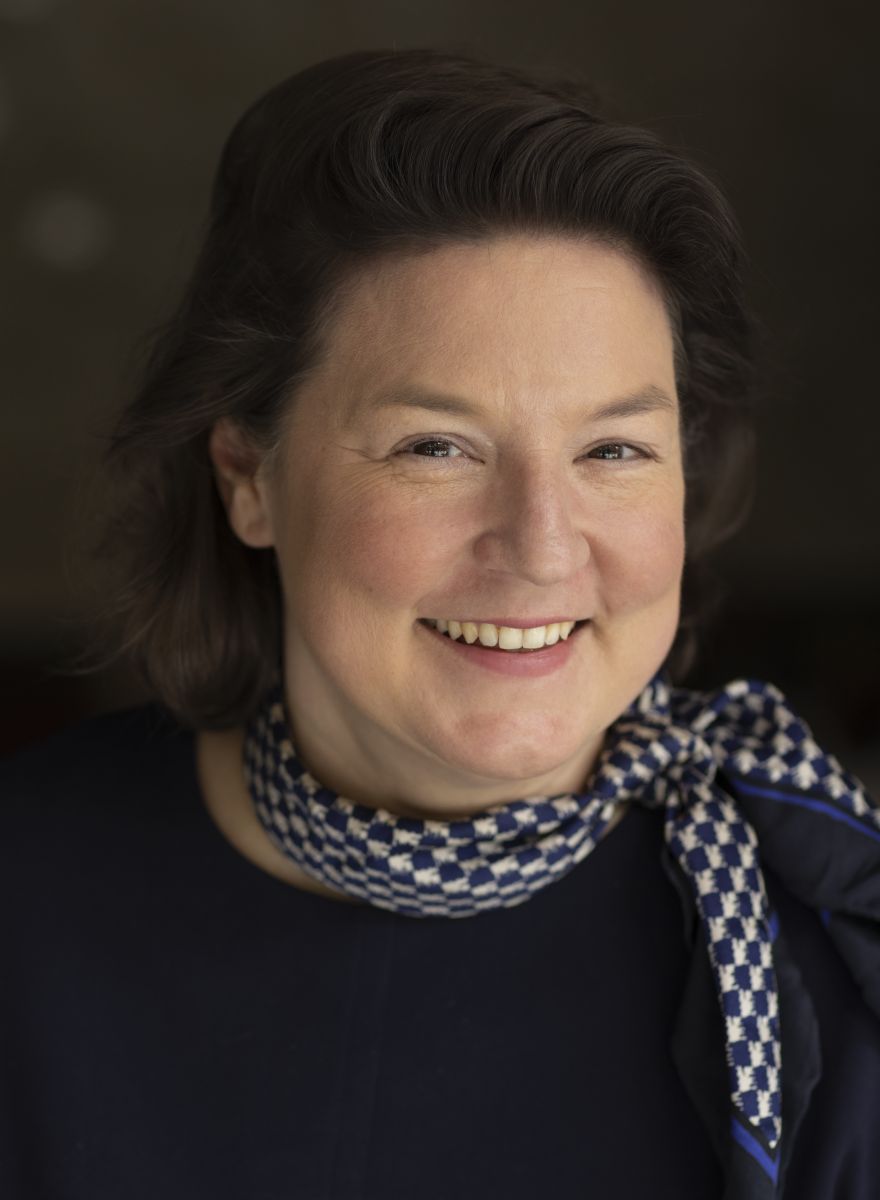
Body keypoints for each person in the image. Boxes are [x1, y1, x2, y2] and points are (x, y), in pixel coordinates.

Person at [2, 46, 878, 1200]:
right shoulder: (23, 901)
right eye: (435, 447)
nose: (542, 547)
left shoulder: (820, 954)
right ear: (248, 477)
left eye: (614, 449)